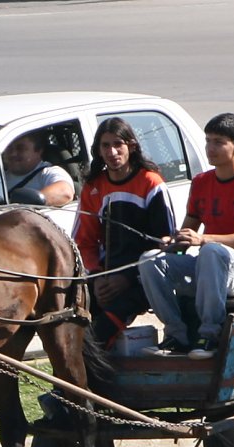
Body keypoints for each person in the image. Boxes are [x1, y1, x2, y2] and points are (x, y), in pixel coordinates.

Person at [138, 112, 234, 360]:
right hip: (209, 265)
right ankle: (177, 336)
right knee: (149, 260)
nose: (210, 148)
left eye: (219, 142)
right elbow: (187, 232)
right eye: (208, 140)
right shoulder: (200, 182)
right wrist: (172, 243)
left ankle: (210, 335)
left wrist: (204, 239)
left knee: (210, 251)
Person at [73, 117, 174, 350]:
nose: (112, 151)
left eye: (118, 144)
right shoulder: (93, 187)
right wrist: (97, 278)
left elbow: (166, 246)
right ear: (98, 151)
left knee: (96, 337)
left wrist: (127, 279)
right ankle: (67, 385)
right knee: (70, 327)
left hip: (142, 280)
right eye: (105, 145)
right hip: (104, 279)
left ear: (132, 146)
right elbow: (83, 242)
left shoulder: (151, 183)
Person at [0, 130, 75, 207]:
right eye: (9, 148)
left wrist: (26, 204)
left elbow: (65, 192)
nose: (13, 153)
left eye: (20, 148)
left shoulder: (48, 173)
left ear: (38, 151)